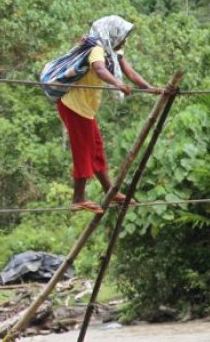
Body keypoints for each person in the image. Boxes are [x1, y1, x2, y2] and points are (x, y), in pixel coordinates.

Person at [57, 15, 163, 214]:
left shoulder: (111, 50)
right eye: (123, 36)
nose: (124, 41)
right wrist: (117, 84)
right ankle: (78, 198)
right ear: (113, 34)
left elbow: (128, 70)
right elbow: (99, 69)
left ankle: (110, 191)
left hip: (85, 108)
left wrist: (150, 88)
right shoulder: (95, 48)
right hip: (73, 106)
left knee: (96, 147)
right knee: (83, 150)